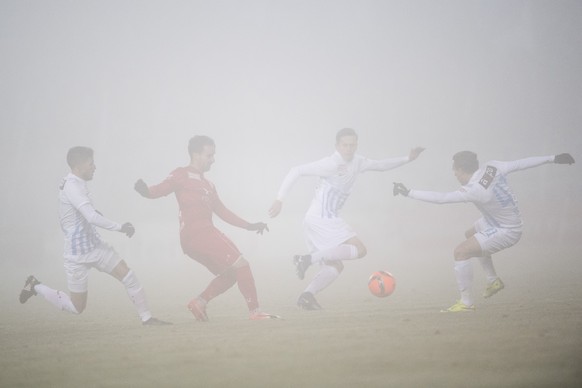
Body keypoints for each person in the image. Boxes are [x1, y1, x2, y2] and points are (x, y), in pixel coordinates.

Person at [393, 151, 576, 312]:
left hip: (507, 230)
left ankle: (466, 303)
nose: (454, 174)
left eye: (455, 170)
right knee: (469, 234)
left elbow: (442, 199)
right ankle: (492, 280)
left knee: (460, 252)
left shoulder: (474, 190)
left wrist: (409, 192)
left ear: (462, 170)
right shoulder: (492, 167)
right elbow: (520, 164)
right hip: (497, 221)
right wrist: (553, 158)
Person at [269, 128, 425, 310]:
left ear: (356, 145)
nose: (349, 148)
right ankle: (306, 260)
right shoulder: (330, 164)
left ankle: (306, 296)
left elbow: (380, 165)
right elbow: (296, 170)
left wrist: (407, 159)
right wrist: (279, 199)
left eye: (352, 145)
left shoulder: (358, 162)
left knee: (335, 266)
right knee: (360, 250)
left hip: (317, 219)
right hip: (322, 218)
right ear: (337, 146)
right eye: (345, 145)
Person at [19, 146, 170, 326]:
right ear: (78, 166)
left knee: (129, 276)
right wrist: (120, 227)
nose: (94, 167)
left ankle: (147, 318)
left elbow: (88, 213)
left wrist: (97, 215)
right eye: (91, 164)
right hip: (76, 255)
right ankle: (35, 285)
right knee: (77, 308)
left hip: (96, 246)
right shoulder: (72, 186)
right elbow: (91, 216)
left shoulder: (77, 182)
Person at [134, 135, 279, 321]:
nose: (213, 159)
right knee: (242, 264)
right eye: (209, 155)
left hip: (199, 237)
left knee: (231, 275)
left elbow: (222, 211)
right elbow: (161, 189)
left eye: (213, 155)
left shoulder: (209, 185)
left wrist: (249, 226)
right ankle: (255, 312)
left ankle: (199, 302)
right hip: (198, 235)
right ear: (196, 154)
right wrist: (146, 191)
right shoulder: (181, 174)